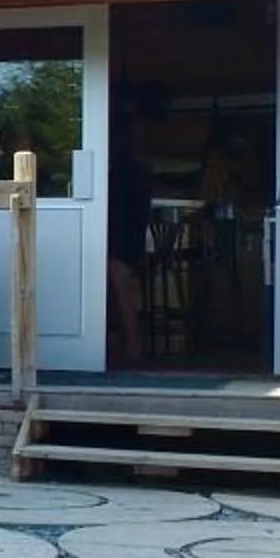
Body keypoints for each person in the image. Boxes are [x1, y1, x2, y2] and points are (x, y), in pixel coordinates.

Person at [107, 84, 164, 365]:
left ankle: (132, 345)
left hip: (124, 232)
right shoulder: (135, 166)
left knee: (119, 280)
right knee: (120, 283)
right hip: (127, 232)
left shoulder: (129, 167)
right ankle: (126, 344)